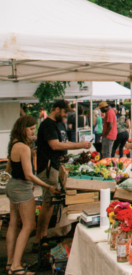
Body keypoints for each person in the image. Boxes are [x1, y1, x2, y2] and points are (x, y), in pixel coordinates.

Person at [6, 116, 60, 275]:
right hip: (22, 187)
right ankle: (16, 267)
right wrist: (48, 186)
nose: (33, 133)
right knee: (29, 225)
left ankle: (10, 263)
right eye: (30, 129)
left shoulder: (13, 143)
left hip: (13, 185)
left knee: (14, 223)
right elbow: (29, 175)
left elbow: (9, 168)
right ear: (23, 128)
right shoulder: (23, 147)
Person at [35, 101, 91, 249]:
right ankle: (39, 239)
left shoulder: (60, 124)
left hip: (57, 166)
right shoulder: (47, 125)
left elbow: (64, 142)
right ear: (57, 109)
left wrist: (79, 145)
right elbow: (55, 145)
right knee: (47, 203)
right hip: (48, 167)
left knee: (51, 203)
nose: (66, 115)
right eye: (65, 112)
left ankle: (47, 234)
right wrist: (79, 145)